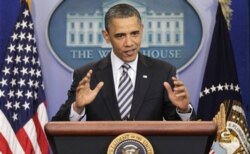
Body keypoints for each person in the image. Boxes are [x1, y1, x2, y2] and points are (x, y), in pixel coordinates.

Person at [52, 3, 196, 121]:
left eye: (134, 33)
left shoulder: (163, 72)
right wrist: (77, 108)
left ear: (142, 30)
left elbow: (179, 129)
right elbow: (57, 124)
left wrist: (183, 110)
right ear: (106, 36)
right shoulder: (86, 75)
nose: (129, 43)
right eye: (120, 36)